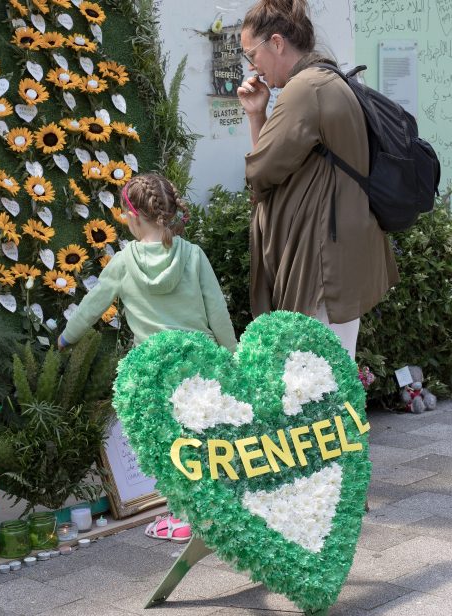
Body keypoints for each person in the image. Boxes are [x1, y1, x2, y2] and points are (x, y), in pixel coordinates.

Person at [57, 173, 237, 543]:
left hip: (155, 371)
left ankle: (182, 516)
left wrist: (66, 337)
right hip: (199, 364)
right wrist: (232, 356)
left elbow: (93, 306)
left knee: (170, 444)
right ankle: (214, 510)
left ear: (131, 216)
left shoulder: (124, 262)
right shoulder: (193, 255)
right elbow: (217, 311)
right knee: (205, 437)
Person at [237, 0, 398, 359]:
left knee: (316, 382)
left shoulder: (305, 89)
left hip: (322, 259)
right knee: (333, 372)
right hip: (339, 252)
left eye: (253, 53)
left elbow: (260, 171)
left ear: (277, 43)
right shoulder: (328, 79)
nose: (252, 67)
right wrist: (257, 114)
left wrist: (257, 121)